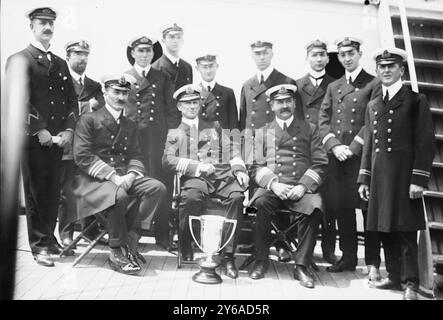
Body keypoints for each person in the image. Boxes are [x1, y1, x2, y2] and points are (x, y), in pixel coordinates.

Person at [358, 47, 435, 300]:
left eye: (392, 66)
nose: (387, 70)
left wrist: (418, 179)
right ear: (378, 71)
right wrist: (364, 178)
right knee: (383, 229)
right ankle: (393, 276)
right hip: (380, 178)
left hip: (404, 177)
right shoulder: (373, 104)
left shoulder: (415, 100)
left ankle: (410, 283)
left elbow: (425, 142)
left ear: (401, 70)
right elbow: (369, 143)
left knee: (404, 230)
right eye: (382, 67)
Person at [72, 74, 167, 275]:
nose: (120, 97)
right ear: (105, 93)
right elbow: (82, 156)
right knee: (119, 196)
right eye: (116, 92)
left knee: (157, 188)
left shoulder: (129, 124)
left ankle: (133, 235)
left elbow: (136, 154)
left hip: (124, 176)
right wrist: (114, 177)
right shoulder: (88, 119)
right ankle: (116, 249)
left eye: (125, 92)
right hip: (94, 179)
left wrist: (131, 175)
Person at [6, 7, 77, 267]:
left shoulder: (59, 63)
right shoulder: (20, 59)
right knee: (36, 193)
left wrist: (69, 129)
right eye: (42, 23)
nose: (47, 27)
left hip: (58, 140)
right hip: (33, 141)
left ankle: (49, 238)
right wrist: (40, 129)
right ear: (32, 27)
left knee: (52, 191)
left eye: (50, 23)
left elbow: (72, 100)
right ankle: (39, 246)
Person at [162, 84, 249, 279]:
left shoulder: (214, 127)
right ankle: (187, 245)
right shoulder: (175, 133)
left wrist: (239, 169)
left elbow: (232, 150)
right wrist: (197, 167)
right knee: (191, 197)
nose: (192, 107)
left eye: (195, 102)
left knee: (237, 197)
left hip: (222, 176)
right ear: (179, 107)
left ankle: (228, 256)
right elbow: (167, 160)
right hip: (197, 178)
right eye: (187, 104)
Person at [248, 84, 328, 288]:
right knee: (257, 204)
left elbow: (320, 163)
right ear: (272, 106)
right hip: (272, 187)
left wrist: (303, 186)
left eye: (287, 101)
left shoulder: (309, 129)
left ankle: (301, 265)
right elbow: (256, 165)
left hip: (300, 187)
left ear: (293, 103)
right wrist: (274, 184)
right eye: (279, 102)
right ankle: (261, 259)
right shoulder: (262, 132)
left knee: (315, 207)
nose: (284, 106)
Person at [318, 37, 382, 277]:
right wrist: (334, 146)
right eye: (342, 54)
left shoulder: (373, 83)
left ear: (359, 53)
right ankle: (348, 257)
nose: (346, 58)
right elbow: (323, 120)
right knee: (343, 209)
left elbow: (374, 119)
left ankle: (373, 262)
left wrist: (353, 148)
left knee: (367, 210)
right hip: (338, 158)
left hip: (362, 158)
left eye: (351, 53)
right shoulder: (334, 87)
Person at [124, 35, 180, 250]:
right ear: (133, 53)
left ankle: (162, 236)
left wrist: (171, 141)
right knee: (135, 185)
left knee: (162, 186)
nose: (145, 54)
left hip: (158, 142)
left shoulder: (162, 77)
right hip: (133, 143)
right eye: (140, 51)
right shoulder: (124, 77)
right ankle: (132, 233)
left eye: (148, 51)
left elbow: (172, 111)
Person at [58, 39, 105, 248]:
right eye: (77, 54)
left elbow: (101, 111)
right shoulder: (60, 81)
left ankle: (90, 231)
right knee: (67, 191)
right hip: (67, 145)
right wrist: (87, 106)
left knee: (91, 186)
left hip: (88, 146)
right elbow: (61, 111)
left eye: (85, 54)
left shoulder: (95, 85)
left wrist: (84, 107)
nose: (82, 58)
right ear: (68, 57)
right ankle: (66, 235)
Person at [295, 39, 337, 264]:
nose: (318, 59)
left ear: (328, 58)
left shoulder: (335, 84)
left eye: (322, 55)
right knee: (302, 199)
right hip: (305, 151)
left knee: (327, 202)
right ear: (307, 58)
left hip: (326, 150)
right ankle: (299, 249)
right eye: (314, 55)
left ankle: (328, 249)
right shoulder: (297, 85)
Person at [239, 41, 297, 132]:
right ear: (252, 56)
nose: (262, 57)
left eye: (265, 53)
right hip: (252, 141)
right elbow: (243, 121)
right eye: (257, 54)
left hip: (276, 139)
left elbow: (295, 118)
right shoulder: (247, 85)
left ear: (272, 55)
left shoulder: (286, 82)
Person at [195, 54, 239, 129]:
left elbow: (233, 123)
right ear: (197, 68)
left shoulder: (228, 93)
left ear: (217, 66)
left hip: (223, 139)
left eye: (211, 66)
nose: (208, 71)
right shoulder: (194, 93)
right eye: (204, 67)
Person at [152, 23, 193, 90]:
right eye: (171, 37)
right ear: (163, 40)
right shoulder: (155, 68)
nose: (175, 41)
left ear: (182, 41)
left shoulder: (187, 67)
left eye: (178, 37)